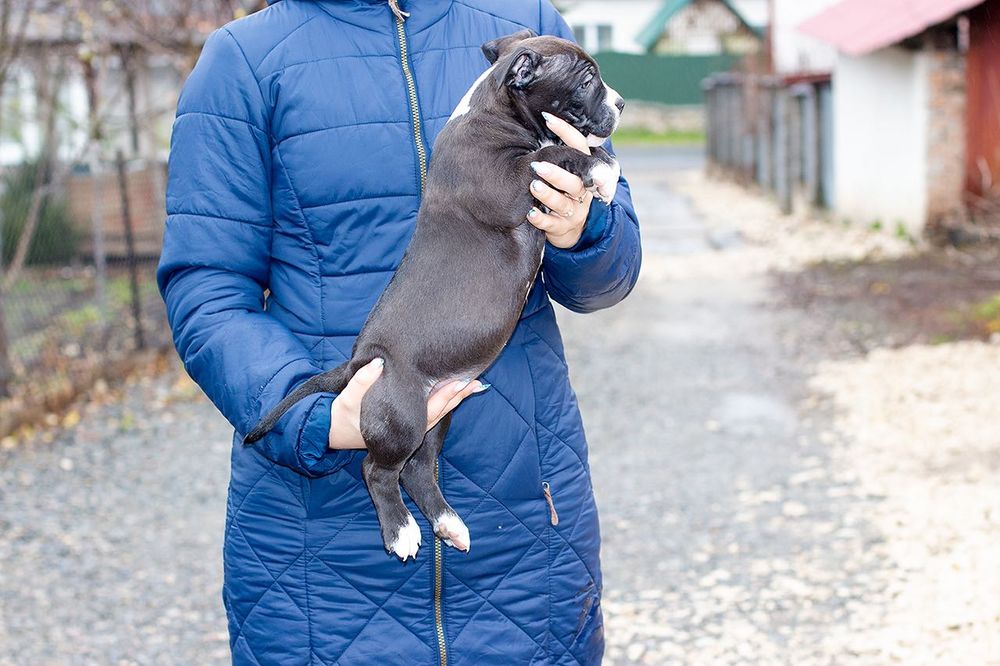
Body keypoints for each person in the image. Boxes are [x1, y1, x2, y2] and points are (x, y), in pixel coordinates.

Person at [156, 0, 641, 663]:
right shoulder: (244, 61)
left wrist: (584, 231)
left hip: (525, 537)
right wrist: (320, 419)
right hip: (319, 556)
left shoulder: (526, 24)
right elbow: (206, 288)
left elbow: (608, 277)